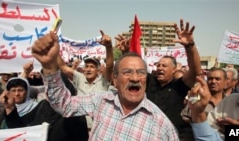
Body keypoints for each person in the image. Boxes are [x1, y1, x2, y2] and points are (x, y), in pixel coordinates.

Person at [31, 31, 180, 140]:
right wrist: (49, 66)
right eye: (127, 72)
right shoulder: (101, 101)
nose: (135, 78)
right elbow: (64, 105)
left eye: (141, 73)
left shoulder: (163, 126)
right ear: (115, 79)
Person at [115, 19, 202, 140]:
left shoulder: (179, 86)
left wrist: (189, 46)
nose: (160, 68)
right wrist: (125, 51)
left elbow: (196, 71)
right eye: (158, 65)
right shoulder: (149, 80)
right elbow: (133, 66)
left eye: (164, 66)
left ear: (174, 69)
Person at [0, 76, 88, 141]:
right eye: (49, 90)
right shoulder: (43, 106)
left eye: (56, 91)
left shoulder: (76, 115)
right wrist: (10, 108)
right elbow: (20, 130)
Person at [58, 30, 114, 130]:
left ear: (98, 70)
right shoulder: (80, 78)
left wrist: (109, 47)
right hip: (78, 127)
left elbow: (109, 66)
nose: (88, 69)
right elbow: (63, 67)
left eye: (92, 67)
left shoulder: (103, 80)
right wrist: (55, 49)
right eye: (86, 66)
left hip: (97, 128)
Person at [187, 76, 223, 141]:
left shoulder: (227, 100)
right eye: (210, 78)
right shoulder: (230, 101)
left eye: (217, 79)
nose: (213, 81)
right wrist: (198, 113)